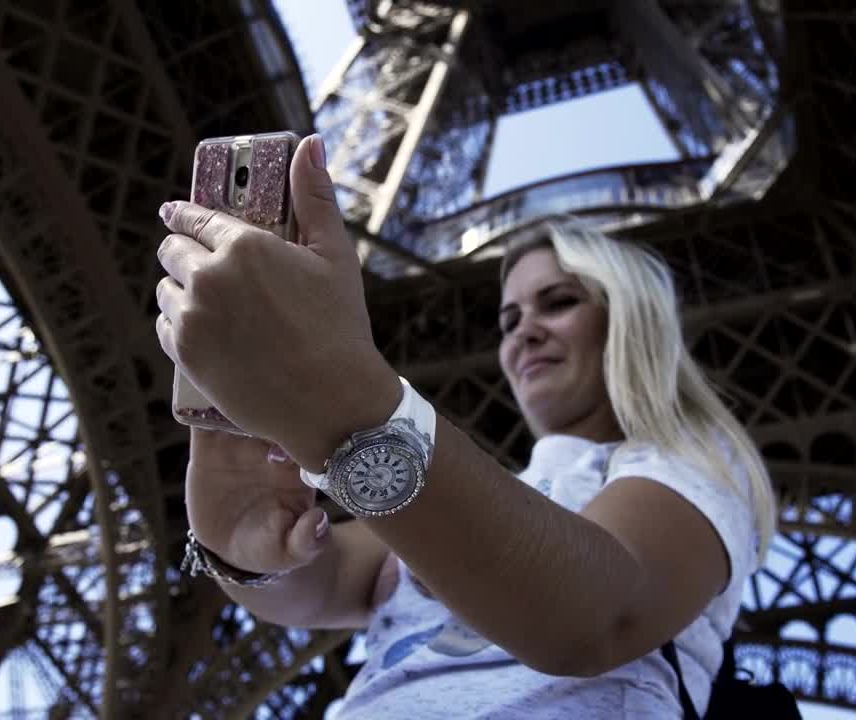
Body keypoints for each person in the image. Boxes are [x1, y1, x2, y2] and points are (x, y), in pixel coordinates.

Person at [154, 134, 778, 718]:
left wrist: (347, 407)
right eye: (508, 320)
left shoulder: (691, 463)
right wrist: (238, 549)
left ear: (632, 321)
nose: (525, 331)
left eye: (560, 303)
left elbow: (594, 619)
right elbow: (320, 581)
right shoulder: (466, 499)